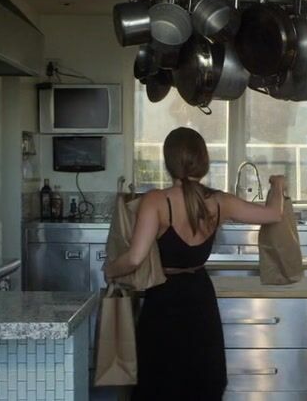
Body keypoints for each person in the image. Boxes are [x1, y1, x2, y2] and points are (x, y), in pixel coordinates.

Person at [104, 127, 285, 400]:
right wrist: (278, 185)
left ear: (168, 162)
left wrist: (109, 270)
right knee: (202, 382)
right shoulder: (221, 201)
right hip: (201, 299)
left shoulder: (156, 200)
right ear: (203, 161)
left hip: (163, 300)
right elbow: (273, 214)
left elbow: (134, 258)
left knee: (159, 384)